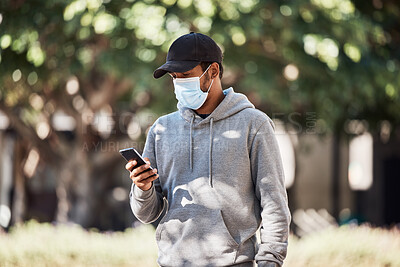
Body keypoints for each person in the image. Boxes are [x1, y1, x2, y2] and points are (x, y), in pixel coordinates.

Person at [126, 32, 291, 267]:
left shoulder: (254, 124)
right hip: (173, 262)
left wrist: (270, 262)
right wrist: (143, 188)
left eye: (185, 75)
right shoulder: (162, 129)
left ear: (213, 71)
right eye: (174, 77)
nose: (178, 83)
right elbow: (147, 214)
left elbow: (274, 204)